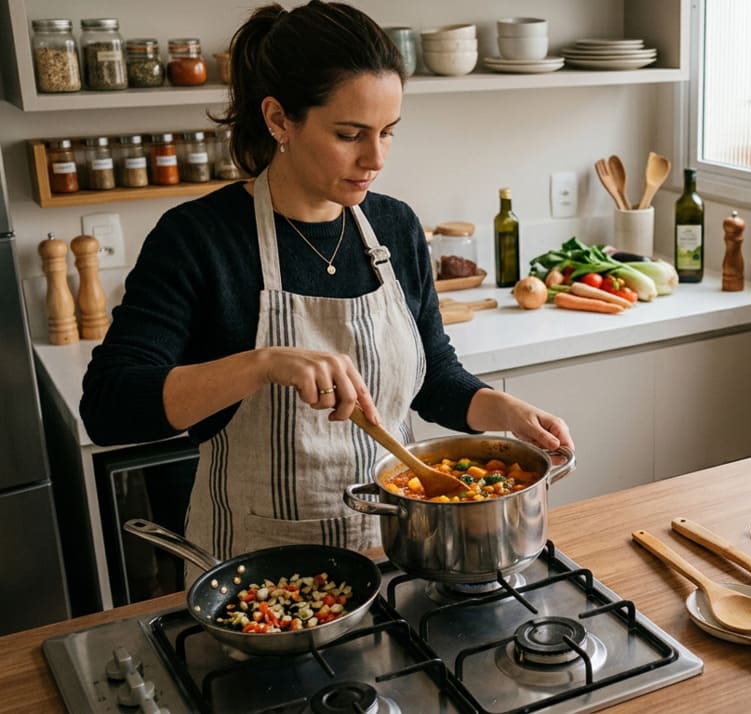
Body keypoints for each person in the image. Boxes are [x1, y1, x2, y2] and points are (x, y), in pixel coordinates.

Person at [80, 1, 573, 571]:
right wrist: (262, 364)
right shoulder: (198, 239)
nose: (375, 158)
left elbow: (432, 376)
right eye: (349, 134)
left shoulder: (395, 226)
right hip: (260, 577)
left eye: (388, 132)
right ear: (278, 119)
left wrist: (503, 411)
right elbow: (109, 407)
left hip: (397, 550)